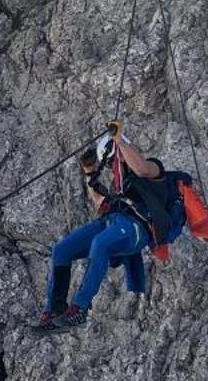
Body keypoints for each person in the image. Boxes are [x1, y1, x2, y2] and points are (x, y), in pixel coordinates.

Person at [32, 124, 189, 330]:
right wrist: (89, 171)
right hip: (112, 221)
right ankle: (55, 310)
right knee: (61, 250)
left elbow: (141, 168)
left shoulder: (153, 169)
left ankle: (80, 308)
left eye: (112, 160)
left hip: (136, 229)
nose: (112, 167)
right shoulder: (120, 186)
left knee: (101, 243)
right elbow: (101, 204)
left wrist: (119, 140)